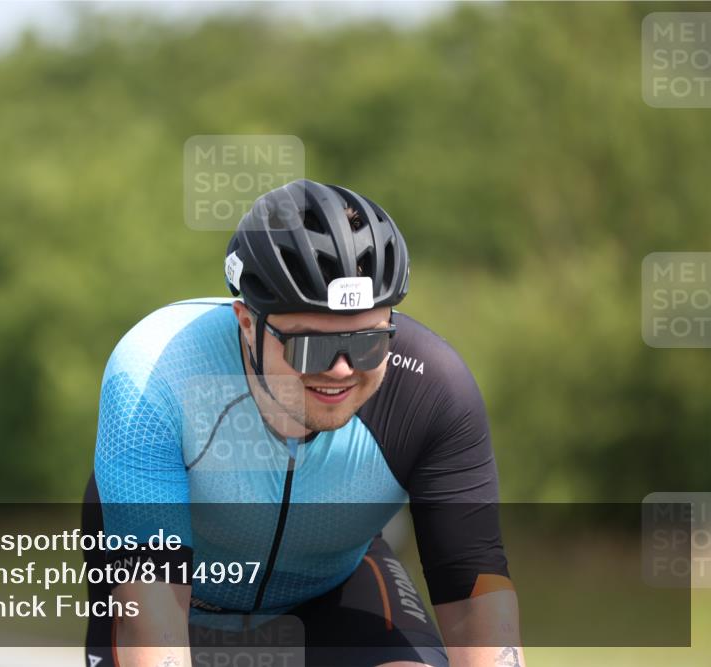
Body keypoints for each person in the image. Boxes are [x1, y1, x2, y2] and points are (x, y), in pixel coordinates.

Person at [82, 179, 525, 667]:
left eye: (367, 343)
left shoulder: (435, 390)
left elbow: (472, 595)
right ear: (247, 323)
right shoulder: (156, 373)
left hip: (330, 592)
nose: (340, 369)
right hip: (177, 605)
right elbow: (152, 609)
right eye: (309, 346)